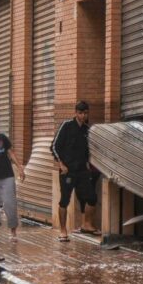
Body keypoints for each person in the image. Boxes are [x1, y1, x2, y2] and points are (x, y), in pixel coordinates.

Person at [52, 100, 99, 242]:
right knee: (64, 200)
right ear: (76, 113)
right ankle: (63, 230)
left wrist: (87, 165)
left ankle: (87, 224)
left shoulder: (87, 130)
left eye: (85, 113)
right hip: (67, 171)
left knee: (92, 197)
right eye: (80, 113)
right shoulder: (67, 126)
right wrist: (61, 164)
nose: (83, 116)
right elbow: (54, 146)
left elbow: (88, 151)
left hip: (82, 172)